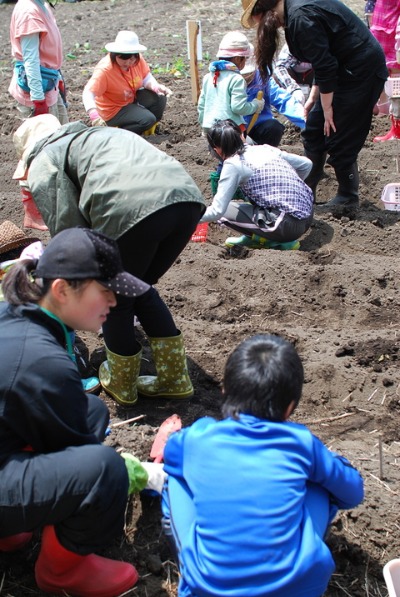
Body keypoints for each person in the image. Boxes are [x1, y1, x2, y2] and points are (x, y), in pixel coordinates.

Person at [0, 227, 165, 597]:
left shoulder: (14, 316)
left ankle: (10, 533)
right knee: (101, 471)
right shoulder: (43, 361)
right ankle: (61, 573)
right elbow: (81, 458)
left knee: (90, 410)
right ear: (62, 289)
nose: (114, 303)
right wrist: (142, 473)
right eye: (105, 292)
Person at [12, 114, 206, 406]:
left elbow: (70, 230)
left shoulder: (45, 158)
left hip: (132, 210)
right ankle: (174, 379)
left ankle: (122, 383)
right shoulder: (99, 136)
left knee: (114, 296)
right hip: (186, 201)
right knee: (138, 287)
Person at [162, 333, 364, 597]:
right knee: (321, 483)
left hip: (209, 589)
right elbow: (353, 494)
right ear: (290, 407)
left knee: (175, 478)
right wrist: (336, 463)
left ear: (224, 392)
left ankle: (187, 558)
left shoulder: (199, 437)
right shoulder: (301, 443)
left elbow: (171, 454)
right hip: (300, 588)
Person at [241, 0, 388, 207]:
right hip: (342, 71)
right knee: (314, 129)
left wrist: (328, 107)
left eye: (254, 19)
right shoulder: (294, 15)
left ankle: (347, 197)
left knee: (339, 134)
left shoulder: (301, 17)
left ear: (263, 11)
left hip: (360, 72)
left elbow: (326, 65)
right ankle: (307, 187)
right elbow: (325, 56)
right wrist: (314, 98)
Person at [200, 119, 313, 250]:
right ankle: (261, 236)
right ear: (242, 135)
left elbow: (217, 211)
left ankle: (271, 240)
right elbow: (306, 165)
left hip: (286, 227)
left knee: (226, 209)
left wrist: (188, 219)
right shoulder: (265, 149)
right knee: (251, 202)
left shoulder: (233, 164)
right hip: (307, 216)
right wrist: (291, 190)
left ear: (217, 150)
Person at [8, 0, 69, 232]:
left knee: (60, 142)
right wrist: (38, 99)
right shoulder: (28, 11)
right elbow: (30, 59)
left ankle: (55, 201)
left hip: (50, 83)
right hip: (38, 88)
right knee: (35, 149)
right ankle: (32, 212)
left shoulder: (41, 4)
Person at [82, 30, 172, 135]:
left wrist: (156, 87)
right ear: (115, 54)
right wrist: (94, 116)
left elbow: (146, 77)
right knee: (147, 119)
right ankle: (117, 134)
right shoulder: (105, 71)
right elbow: (88, 93)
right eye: (124, 58)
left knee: (159, 97)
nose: (129, 62)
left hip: (130, 99)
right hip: (113, 109)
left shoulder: (137, 60)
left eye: (133, 58)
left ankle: (147, 130)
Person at [197, 31, 265, 135]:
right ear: (238, 58)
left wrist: (204, 123)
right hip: (230, 130)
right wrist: (256, 105)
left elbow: (201, 105)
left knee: (216, 151)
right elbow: (238, 107)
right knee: (244, 148)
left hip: (210, 127)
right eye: (245, 59)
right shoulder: (237, 79)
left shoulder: (207, 77)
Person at [241, 46, 305, 147]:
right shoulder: (223, 81)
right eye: (243, 75)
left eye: (250, 74)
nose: (247, 77)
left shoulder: (262, 76)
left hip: (257, 126)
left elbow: (281, 99)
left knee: (274, 127)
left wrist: (306, 119)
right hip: (232, 130)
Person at [371, 0, 400, 141]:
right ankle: (394, 128)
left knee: (396, 90)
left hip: (394, 45)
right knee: (390, 87)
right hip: (383, 41)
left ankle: (397, 131)